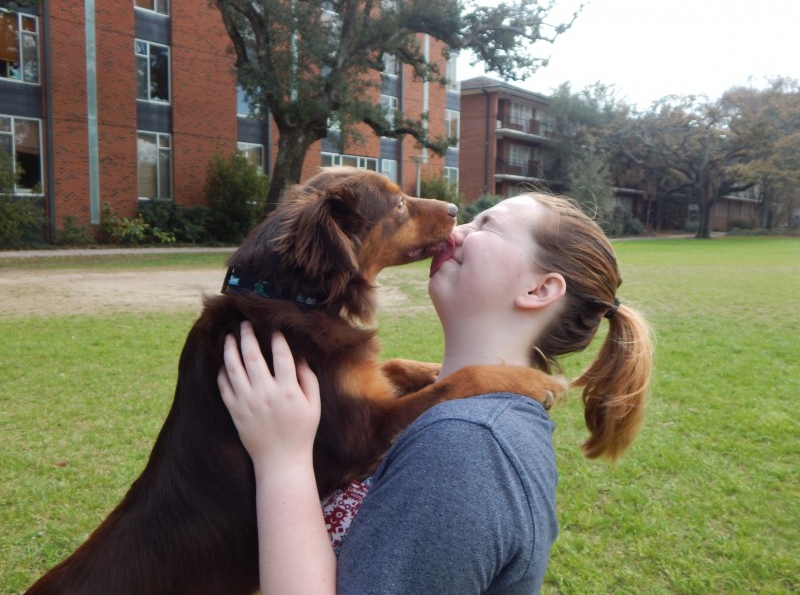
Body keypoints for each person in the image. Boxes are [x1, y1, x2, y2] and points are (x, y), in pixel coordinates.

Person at [218, 192, 654, 595]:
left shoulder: (466, 445)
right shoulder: (463, 421)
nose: (457, 228)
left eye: (486, 226)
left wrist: (281, 458)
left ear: (539, 290)